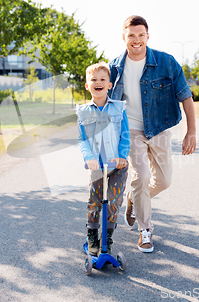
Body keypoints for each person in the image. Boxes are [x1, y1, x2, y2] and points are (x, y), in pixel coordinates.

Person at [109, 15, 196, 253]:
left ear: (148, 36)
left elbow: (185, 96)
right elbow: (105, 103)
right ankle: (145, 231)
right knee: (141, 175)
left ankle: (135, 199)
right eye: (131, 36)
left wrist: (191, 132)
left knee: (165, 181)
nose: (136, 40)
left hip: (159, 127)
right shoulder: (115, 67)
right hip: (131, 130)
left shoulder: (166, 62)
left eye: (140, 35)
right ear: (124, 38)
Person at [77, 62, 130, 256]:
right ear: (87, 85)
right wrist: (89, 158)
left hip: (117, 166)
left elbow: (125, 135)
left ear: (109, 85)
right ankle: (92, 234)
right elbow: (82, 139)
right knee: (95, 201)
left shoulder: (118, 108)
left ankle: (107, 237)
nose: (98, 83)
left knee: (114, 201)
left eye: (102, 79)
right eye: (93, 80)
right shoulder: (83, 112)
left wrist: (122, 156)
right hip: (97, 167)